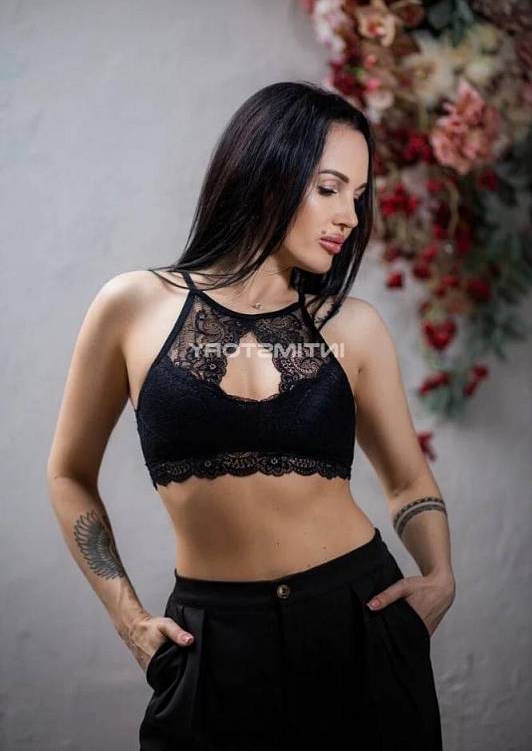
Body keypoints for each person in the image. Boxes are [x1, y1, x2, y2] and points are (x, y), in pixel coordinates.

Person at [47, 81, 455, 750]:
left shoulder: (353, 327)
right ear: (267, 173)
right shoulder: (132, 305)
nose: (350, 217)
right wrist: (128, 618)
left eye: (358, 196)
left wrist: (439, 578)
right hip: (213, 642)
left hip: (358, 622)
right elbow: (68, 474)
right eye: (329, 188)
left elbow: (408, 480)